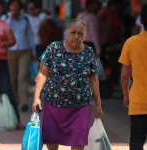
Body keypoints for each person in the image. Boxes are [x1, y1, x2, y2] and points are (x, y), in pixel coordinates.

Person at [33, 19, 103, 150]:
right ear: (66, 33)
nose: (76, 37)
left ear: (85, 36)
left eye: (80, 34)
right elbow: (42, 74)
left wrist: (98, 103)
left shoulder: (89, 52)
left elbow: (93, 78)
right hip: (53, 102)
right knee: (52, 140)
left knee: (78, 140)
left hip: (81, 105)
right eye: (73, 32)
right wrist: (37, 97)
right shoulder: (54, 48)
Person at [119, 4, 147, 150]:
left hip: (138, 100)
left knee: (137, 138)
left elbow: (125, 75)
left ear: (141, 21)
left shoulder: (131, 42)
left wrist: (126, 94)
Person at [1, 0, 36, 112]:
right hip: (10, 51)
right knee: (13, 77)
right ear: (9, 7)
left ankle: (24, 101)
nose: (15, 7)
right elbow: (3, 30)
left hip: (25, 50)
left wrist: (34, 51)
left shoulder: (25, 18)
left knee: (23, 76)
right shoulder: (5, 18)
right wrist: (11, 17)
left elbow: (30, 35)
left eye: (17, 5)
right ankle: (15, 99)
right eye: (13, 5)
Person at [0, 19, 25, 130]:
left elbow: (13, 41)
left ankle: (16, 121)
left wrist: (3, 43)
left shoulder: (2, 24)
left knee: (7, 90)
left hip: (1, 62)